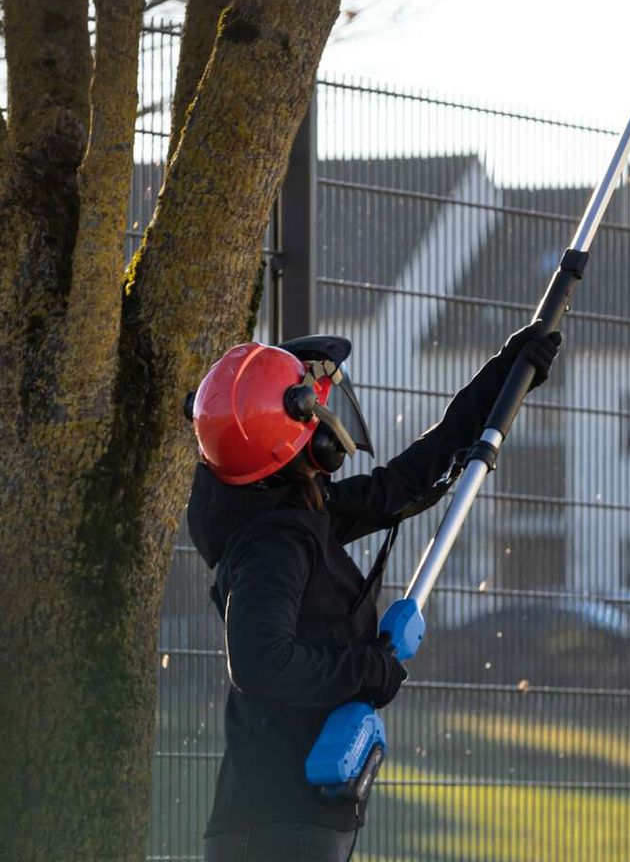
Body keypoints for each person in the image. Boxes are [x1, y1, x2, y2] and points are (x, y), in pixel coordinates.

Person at [185, 323, 562, 862]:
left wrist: (506, 378)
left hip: (288, 822)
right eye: (314, 413)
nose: (326, 422)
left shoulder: (294, 515)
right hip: (276, 827)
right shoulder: (272, 543)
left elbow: (401, 485)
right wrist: (368, 669)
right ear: (293, 437)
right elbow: (260, 664)